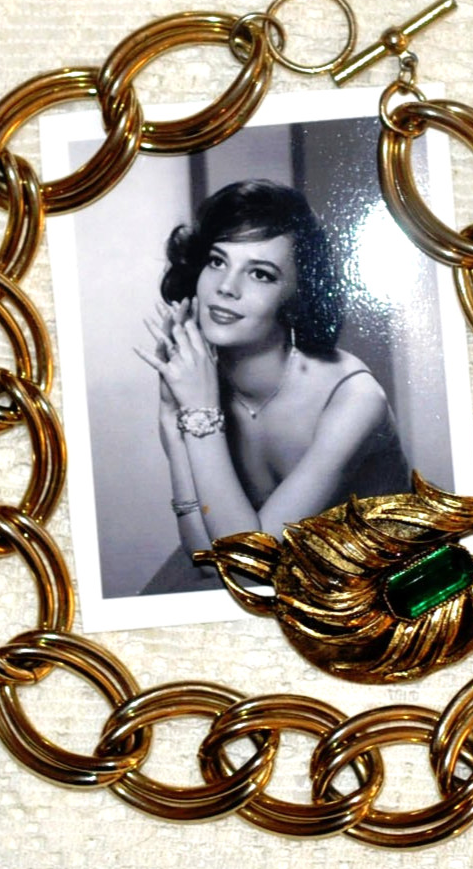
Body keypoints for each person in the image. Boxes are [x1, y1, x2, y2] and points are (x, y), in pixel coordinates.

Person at [135, 179, 409, 593]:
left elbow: (250, 569)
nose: (227, 287)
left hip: (367, 587)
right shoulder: (203, 384)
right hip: (258, 570)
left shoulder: (355, 400)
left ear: (296, 294)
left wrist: (201, 415)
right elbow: (204, 559)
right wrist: (174, 424)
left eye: (260, 274)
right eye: (217, 261)